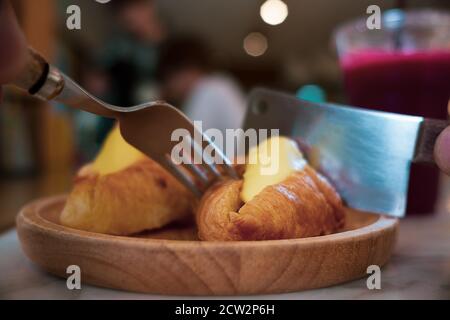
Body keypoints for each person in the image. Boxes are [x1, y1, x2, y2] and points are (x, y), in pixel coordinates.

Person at [1, 1, 450, 175]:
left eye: (171, 74)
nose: (169, 83)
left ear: (183, 70)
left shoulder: (208, 90)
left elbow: (197, 147)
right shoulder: (214, 87)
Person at [157, 36, 247, 134]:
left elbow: (191, 141)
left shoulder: (208, 90)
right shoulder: (220, 84)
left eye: (168, 79)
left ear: (185, 71)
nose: (169, 88)